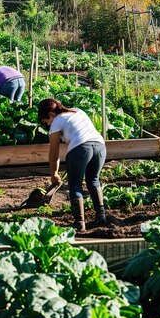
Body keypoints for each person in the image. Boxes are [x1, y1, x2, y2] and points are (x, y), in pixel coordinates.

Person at [38, 98, 107, 232]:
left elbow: (54, 154)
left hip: (81, 148)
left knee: (75, 185)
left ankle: (79, 223)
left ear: (51, 115)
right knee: (93, 180)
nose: (47, 125)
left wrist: (54, 174)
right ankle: (101, 217)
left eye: (46, 122)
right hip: (100, 146)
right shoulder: (77, 111)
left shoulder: (56, 123)